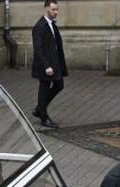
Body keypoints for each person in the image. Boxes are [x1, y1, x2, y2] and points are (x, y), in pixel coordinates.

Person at [31, 0, 67, 129]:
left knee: (59, 84)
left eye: (57, 9)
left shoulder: (51, 24)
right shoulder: (40, 26)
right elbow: (38, 49)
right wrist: (46, 66)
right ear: (46, 9)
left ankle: (39, 109)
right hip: (45, 65)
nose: (56, 12)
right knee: (44, 88)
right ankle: (44, 118)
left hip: (54, 62)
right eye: (53, 9)